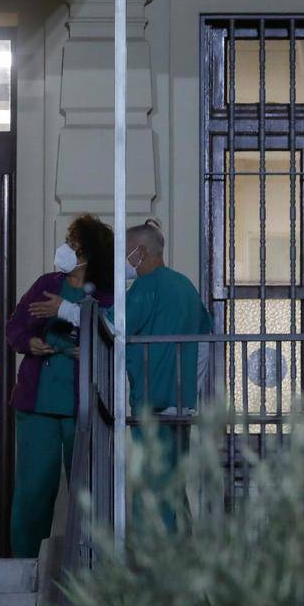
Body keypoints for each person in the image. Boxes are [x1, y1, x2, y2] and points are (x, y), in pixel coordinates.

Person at [4, 214, 114, 560]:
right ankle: (23, 564)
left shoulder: (107, 295)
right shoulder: (46, 284)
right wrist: (29, 344)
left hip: (81, 407)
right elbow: (14, 327)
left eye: (74, 243)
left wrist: (88, 342)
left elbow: (114, 335)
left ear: (88, 251)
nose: (67, 249)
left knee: (87, 493)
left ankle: (88, 566)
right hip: (37, 407)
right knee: (32, 491)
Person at [123, 218, 212, 530]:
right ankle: (182, 561)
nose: (123, 261)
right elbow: (204, 344)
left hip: (154, 405)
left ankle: (154, 572)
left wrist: (70, 311)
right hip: (179, 407)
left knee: (152, 492)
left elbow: (111, 326)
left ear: (142, 252)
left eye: (125, 252)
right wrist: (188, 396)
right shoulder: (185, 286)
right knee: (173, 489)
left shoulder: (146, 286)